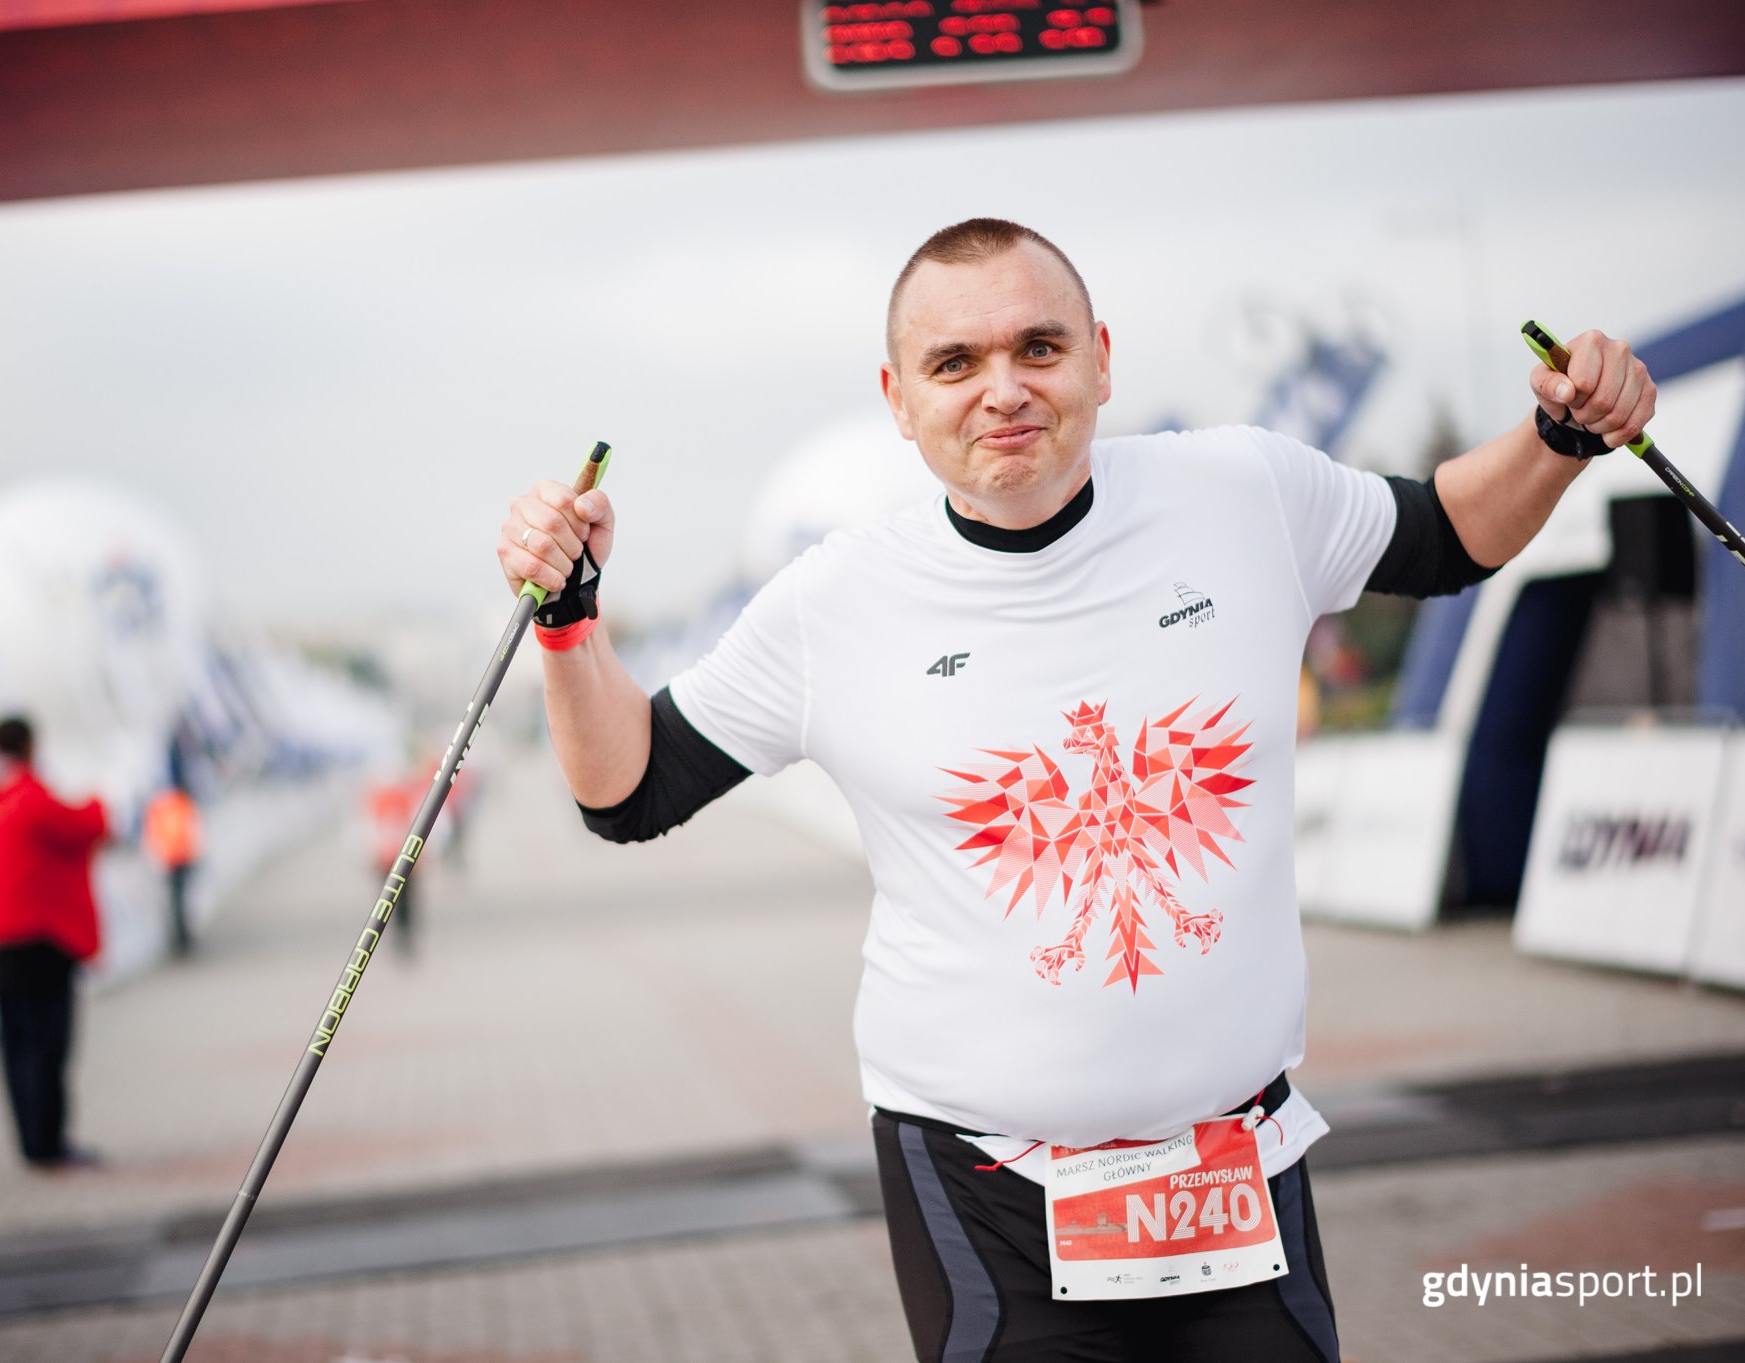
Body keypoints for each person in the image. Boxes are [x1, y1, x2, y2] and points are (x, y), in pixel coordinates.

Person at [495, 219, 1656, 1362]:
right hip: (985, 1189)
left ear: (1100, 358)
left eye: (1036, 349)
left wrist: (1558, 433)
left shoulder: (1242, 490)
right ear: (898, 399)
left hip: (1230, 1166)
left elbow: (1449, 533)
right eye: (955, 363)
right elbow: (627, 789)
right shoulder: (832, 604)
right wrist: (566, 620)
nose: (1001, 389)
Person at [0, 716, 109, 1169]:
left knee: (14, 1042)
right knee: (48, 1043)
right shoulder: (27, 794)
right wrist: (100, 797)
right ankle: (48, 1142)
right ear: (28, 747)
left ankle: (30, 1140)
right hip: (39, 940)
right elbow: (86, 824)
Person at [142, 782, 202, 955]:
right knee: (178, 900)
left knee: (176, 900)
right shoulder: (179, 802)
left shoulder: (162, 804)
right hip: (175, 858)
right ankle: (181, 938)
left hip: (176, 857)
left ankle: (180, 938)